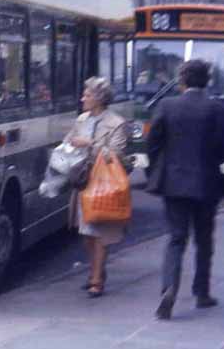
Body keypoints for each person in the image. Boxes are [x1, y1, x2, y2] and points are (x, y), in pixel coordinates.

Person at [147, 59, 224, 320]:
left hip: (173, 183)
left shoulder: (167, 105)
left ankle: (169, 289)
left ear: (182, 81)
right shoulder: (217, 108)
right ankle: (202, 292)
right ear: (207, 81)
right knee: (204, 239)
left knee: (176, 238)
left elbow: (153, 143)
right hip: (207, 184)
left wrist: (158, 170)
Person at [64, 77, 128, 298]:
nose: (83, 98)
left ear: (99, 98)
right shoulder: (81, 119)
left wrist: (90, 144)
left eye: (87, 95)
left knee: (99, 231)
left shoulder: (116, 123)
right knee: (86, 233)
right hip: (82, 181)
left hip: (103, 184)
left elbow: (116, 154)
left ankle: (97, 279)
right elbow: (69, 141)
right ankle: (96, 270)